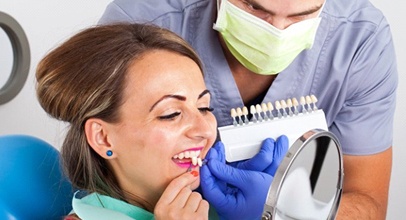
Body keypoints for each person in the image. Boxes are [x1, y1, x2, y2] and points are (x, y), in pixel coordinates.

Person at [99, 0, 398, 219]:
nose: (277, 32)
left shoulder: (360, 40)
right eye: (255, 9)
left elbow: (368, 203)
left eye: (302, 16)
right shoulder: (142, 21)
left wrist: (285, 208)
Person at [35, 23, 287, 219]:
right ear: (103, 137)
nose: (204, 130)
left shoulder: (211, 208)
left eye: (204, 107)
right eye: (170, 114)